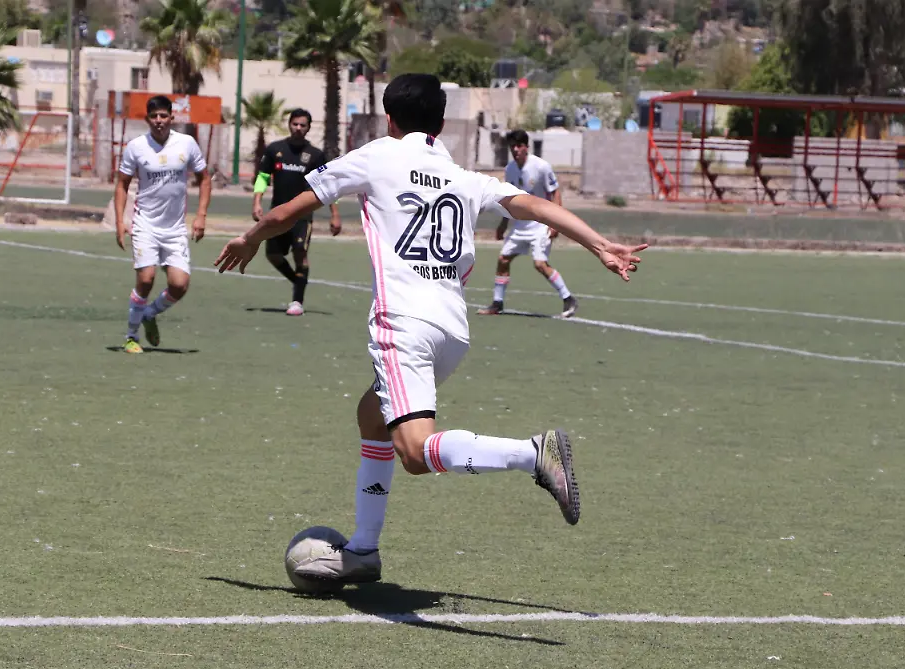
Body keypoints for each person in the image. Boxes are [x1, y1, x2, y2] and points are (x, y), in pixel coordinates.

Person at [215, 74, 646, 584]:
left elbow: (288, 211)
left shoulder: (377, 155)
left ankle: (532, 454)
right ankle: (364, 551)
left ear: (389, 119)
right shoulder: (461, 173)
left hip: (403, 323)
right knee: (372, 417)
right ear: (440, 124)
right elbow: (533, 205)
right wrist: (598, 244)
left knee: (416, 452)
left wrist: (249, 238)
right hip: (452, 330)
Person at [114, 95, 211, 352]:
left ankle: (149, 314)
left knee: (179, 285)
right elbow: (122, 184)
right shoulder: (136, 147)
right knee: (146, 279)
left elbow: (204, 178)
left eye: (163, 116)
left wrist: (201, 215)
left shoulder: (186, 143)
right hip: (145, 224)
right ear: (147, 119)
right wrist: (120, 221)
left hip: (175, 228)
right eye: (154, 116)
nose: (159, 121)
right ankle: (131, 336)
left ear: (171, 117)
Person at [251, 108, 342, 316]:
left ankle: (297, 301)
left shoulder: (316, 155)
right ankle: (298, 280)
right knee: (273, 255)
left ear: (309, 128)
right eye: (295, 124)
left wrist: (334, 214)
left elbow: (327, 185)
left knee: (300, 253)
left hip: (302, 216)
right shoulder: (275, 149)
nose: (298, 128)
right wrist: (257, 201)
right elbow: (263, 177)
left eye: (303, 125)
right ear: (289, 124)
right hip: (277, 214)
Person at [478, 129, 578, 318]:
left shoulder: (541, 167)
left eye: (519, 146)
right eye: (512, 146)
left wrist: (555, 223)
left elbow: (555, 193)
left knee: (540, 264)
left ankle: (568, 298)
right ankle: (497, 303)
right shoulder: (510, 169)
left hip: (540, 224)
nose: (515, 150)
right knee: (503, 260)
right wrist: (503, 224)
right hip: (519, 226)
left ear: (526, 147)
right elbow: (509, 199)